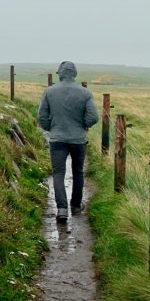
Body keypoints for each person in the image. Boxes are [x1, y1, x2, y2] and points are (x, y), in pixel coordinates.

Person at [37, 61, 100, 223]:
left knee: (58, 173)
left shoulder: (49, 92)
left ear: (60, 73)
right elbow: (93, 117)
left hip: (57, 139)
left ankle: (62, 209)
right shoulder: (85, 93)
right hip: (78, 139)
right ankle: (76, 206)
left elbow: (42, 116)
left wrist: (51, 129)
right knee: (78, 172)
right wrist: (83, 126)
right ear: (75, 74)